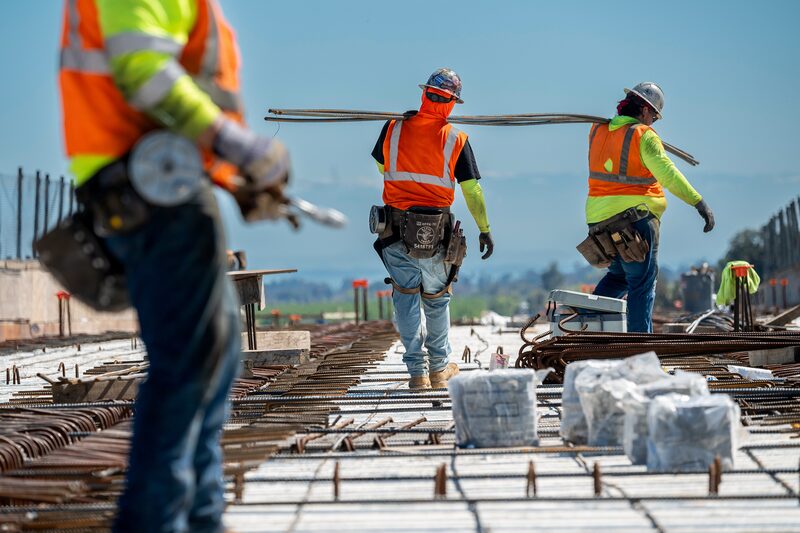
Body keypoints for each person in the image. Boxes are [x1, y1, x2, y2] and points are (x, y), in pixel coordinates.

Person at [58, 1, 290, 531]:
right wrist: (237, 144)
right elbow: (142, 71)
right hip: (150, 184)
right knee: (190, 364)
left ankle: (200, 518)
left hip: (162, 178)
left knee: (214, 358)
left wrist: (232, 175)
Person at [371, 68, 493, 390]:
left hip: (394, 229)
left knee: (406, 298)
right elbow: (472, 192)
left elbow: (382, 165)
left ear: (424, 94)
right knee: (436, 298)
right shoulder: (456, 139)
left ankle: (417, 373)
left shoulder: (393, 127)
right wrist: (485, 228)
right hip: (434, 232)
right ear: (451, 104)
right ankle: (439, 369)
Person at [587, 82, 715, 332]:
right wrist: (698, 202)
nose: (654, 122)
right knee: (641, 283)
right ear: (645, 111)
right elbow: (668, 174)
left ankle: (584, 330)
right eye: (654, 116)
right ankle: (640, 350)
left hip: (598, 222)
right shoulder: (643, 136)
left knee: (618, 277)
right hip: (634, 221)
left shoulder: (597, 131)